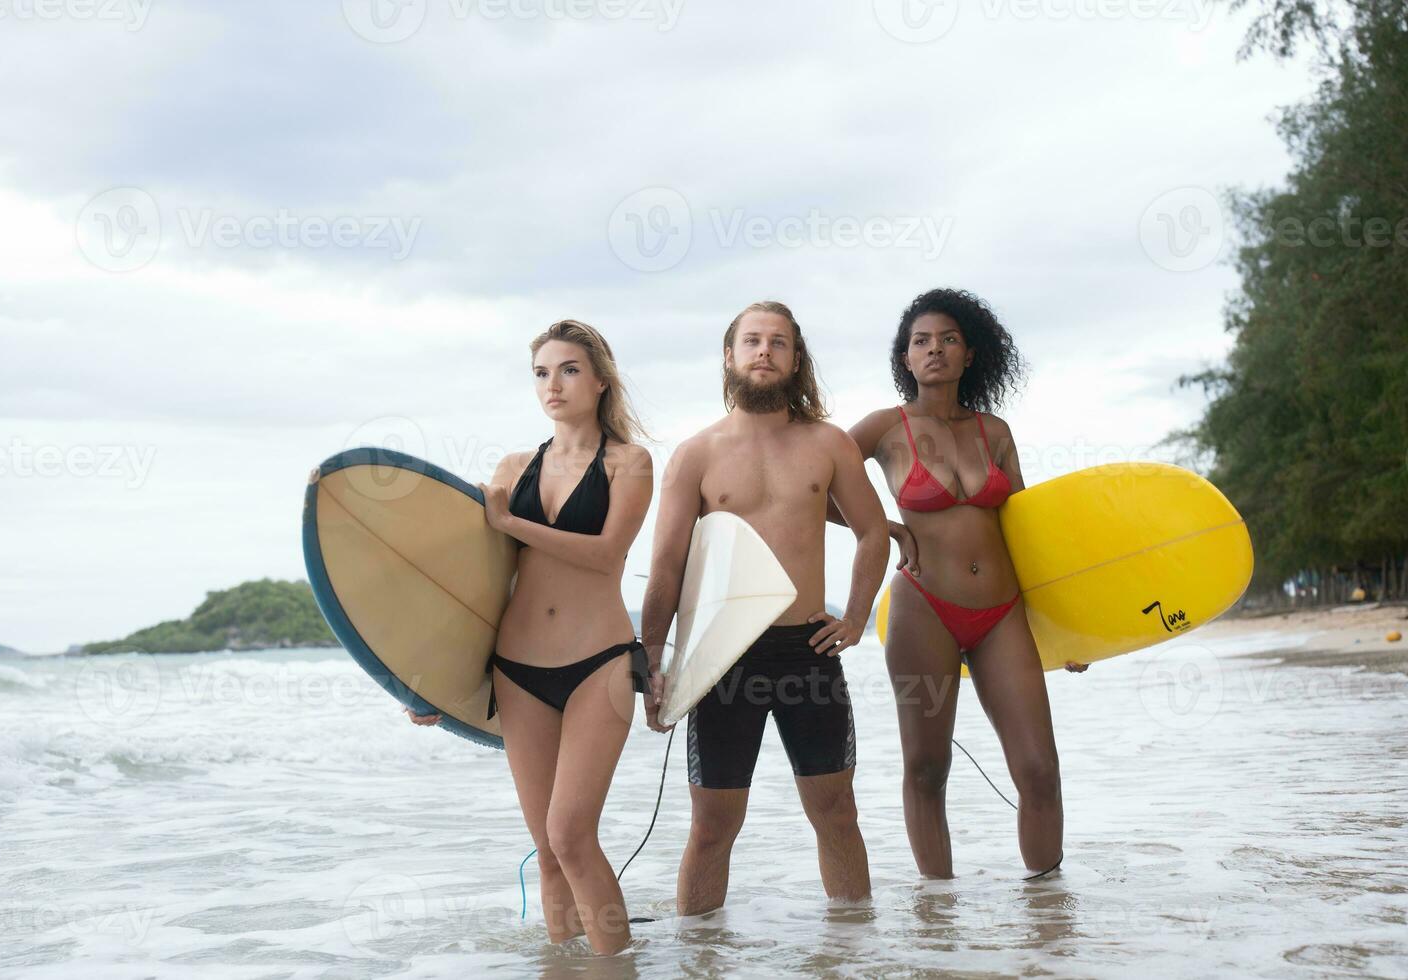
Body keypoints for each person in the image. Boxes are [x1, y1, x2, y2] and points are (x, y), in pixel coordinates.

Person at [406, 320, 653, 955]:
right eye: (541, 372)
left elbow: (605, 556)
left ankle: (615, 970)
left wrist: (511, 520)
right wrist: (432, 680)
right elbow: (477, 586)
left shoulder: (630, 462)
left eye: (568, 370)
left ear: (600, 380)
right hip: (518, 670)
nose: (553, 384)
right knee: (546, 852)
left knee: (572, 833)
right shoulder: (513, 468)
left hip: (600, 662)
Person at [640, 300, 891, 916]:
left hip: (807, 647)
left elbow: (873, 532)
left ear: (795, 358)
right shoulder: (695, 455)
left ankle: (852, 953)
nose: (764, 353)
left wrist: (856, 618)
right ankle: (701, 957)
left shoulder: (828, 443)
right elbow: (667, 566)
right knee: (713, 824)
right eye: (751, 341)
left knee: (836, 812)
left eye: (778, 343)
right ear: (729, 356)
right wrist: (652, 660)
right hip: (724, 655)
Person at [825, 287, 1082, 882]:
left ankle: (1050, 922)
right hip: (924, 610)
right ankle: (938, 928)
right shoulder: (885, 428)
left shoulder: (995, 432)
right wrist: (881, 526)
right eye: (921, 341)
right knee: (926, 767)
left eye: (948, 339)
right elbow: (812, 488)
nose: (934, 349)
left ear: (971, 354)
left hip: (1002, 613)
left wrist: (1073, 629)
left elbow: (1026, 534)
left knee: (1039, 767)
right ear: (906, 358)